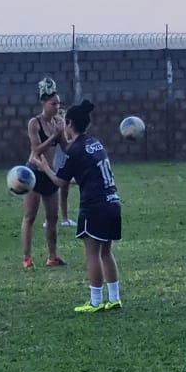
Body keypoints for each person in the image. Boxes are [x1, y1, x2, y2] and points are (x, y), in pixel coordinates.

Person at [29, 100, 122, 313]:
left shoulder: (75, 150)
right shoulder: (95, 143)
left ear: (69, 124)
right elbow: (83, 177)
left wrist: (43, 166)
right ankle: (115, 298)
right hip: (112, 203)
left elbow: (60, 182)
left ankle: (96, 301)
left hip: (95, 207)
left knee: (92, 254)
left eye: (64, 123)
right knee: (106, 252)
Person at [22, 77, 68, 269]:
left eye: (58, 103)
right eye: (53, 104)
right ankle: (27, 258)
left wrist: (68, 134)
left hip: (49, 172)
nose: (57, 107)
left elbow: (66, 148)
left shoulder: (58, 122)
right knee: (30, 216)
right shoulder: (35, 123)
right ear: (43, 103)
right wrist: (55, 136)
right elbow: (36, 150)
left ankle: (52, 256)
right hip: (34, 172)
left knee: (53, 218)